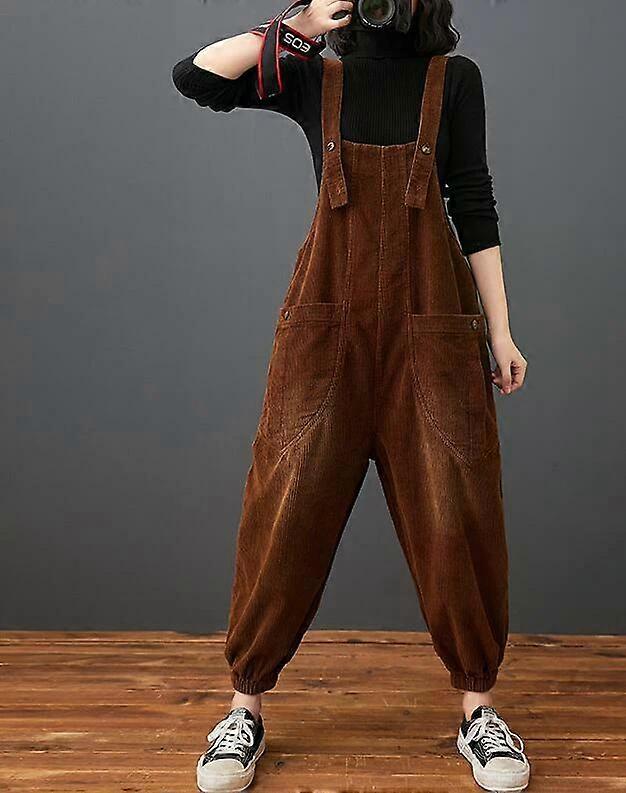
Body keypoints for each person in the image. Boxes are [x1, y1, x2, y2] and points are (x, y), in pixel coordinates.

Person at [172, 1, 529, 790]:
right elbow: (196, 77)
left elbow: (473, 200)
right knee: (285, 506)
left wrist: (500, 332)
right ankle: (243, 709)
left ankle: (478, 709)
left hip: (431, 327)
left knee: (456, 509)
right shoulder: (313, 76)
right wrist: (300, 22)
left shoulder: (453, 80)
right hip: (324, 330)